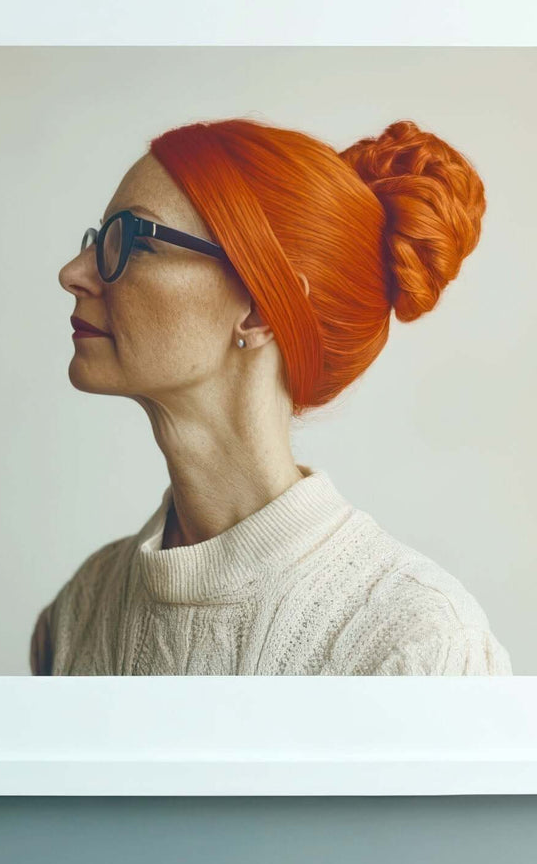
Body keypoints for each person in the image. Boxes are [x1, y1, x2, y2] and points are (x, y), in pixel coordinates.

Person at [34, 117, 511, 676]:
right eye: (97, 240)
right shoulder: (81, 611)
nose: (73, 273)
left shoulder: (419, 640)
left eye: (132, 240)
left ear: (260, 308)